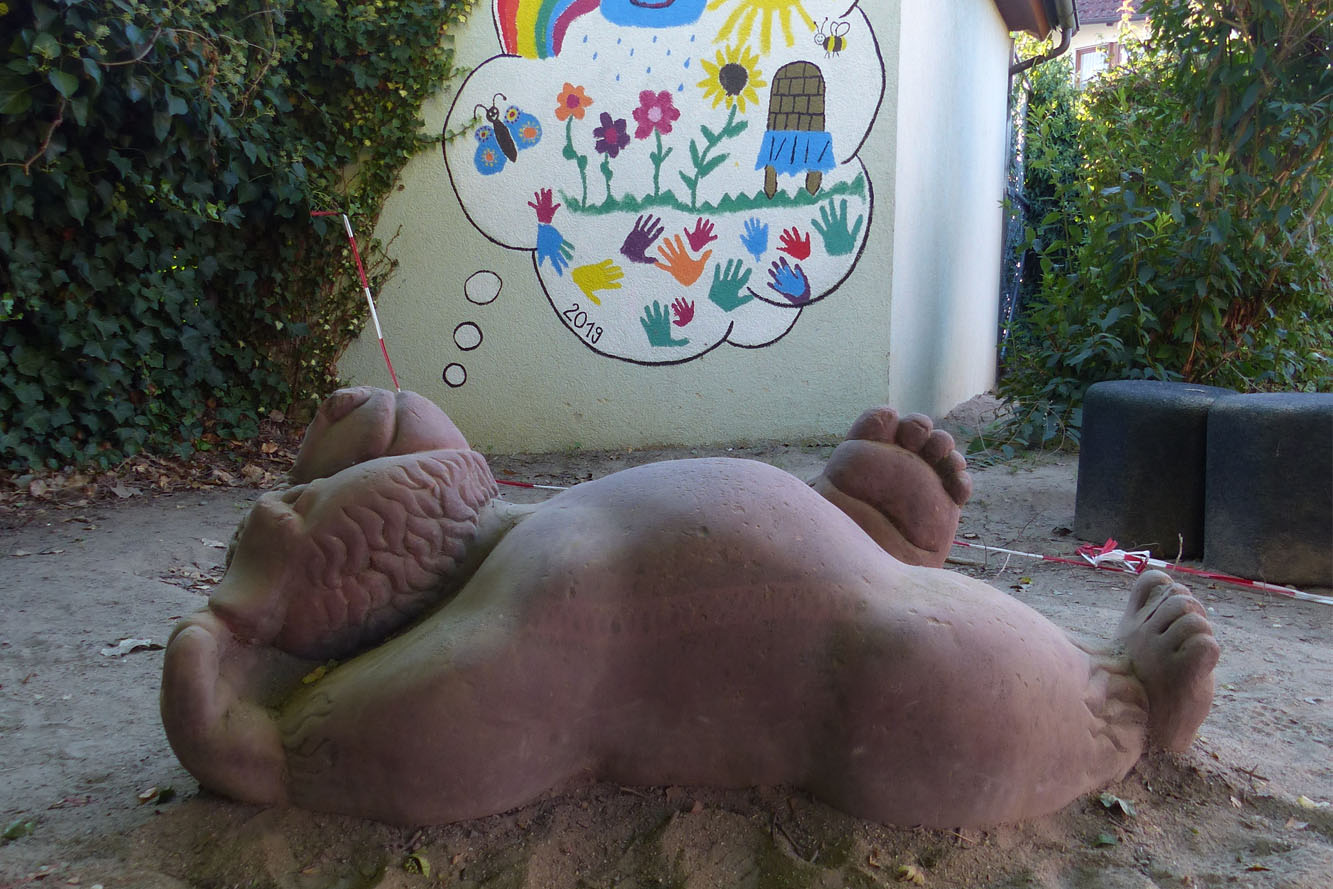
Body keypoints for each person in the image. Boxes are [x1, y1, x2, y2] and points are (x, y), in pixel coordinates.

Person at [161, 387, 1218, 827]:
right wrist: (266, 751)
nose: (351, 411)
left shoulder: (528, 527)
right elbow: (453, 728)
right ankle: (1128, 706)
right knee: (917, 674)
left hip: (827, 571)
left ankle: (865, 524)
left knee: (852, 591)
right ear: (362, 582)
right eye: (315, 483)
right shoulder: (523, 615)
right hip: (870, 663)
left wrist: (837, 522)